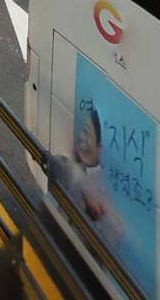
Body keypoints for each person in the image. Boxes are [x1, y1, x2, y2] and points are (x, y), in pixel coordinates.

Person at [49, 104, 125, 249]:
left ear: (100, 148)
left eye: (88, 134)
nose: (82, 138)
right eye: (84, 131)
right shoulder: (66, 166)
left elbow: (115, 234)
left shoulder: (105, 189)